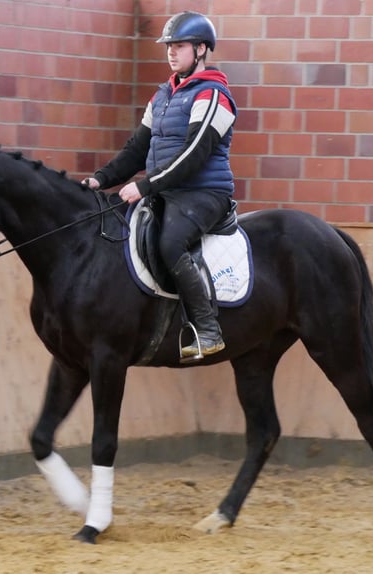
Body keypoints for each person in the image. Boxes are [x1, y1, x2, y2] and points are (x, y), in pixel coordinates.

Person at [83, 11, 237, 361]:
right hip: (166, 190)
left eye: (179, 46)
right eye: (169, 46)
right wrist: (102, 178)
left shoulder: (213, 95)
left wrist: (146, 186)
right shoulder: (163, 95)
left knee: (170, 242)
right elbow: (138, 148)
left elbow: (195, 154)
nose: (171, 52)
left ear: (200, 49)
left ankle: (207, 327)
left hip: (204, 193)